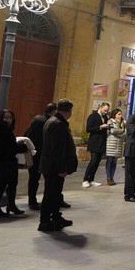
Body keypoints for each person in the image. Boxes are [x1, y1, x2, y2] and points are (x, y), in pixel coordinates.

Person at [38, 99, 77, 232]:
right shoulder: (58, 124)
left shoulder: (53, 121)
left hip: (51, 165)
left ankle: (55, 217)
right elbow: (56, 149)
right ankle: (45, 222)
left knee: (54, 194)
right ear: (68, 111)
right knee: (50, 194)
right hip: (54, 167)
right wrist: (62, 168)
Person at [0, 109, 29, 218]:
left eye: (10, 117)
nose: (8, 120)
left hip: (3, 160)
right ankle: (1, 206)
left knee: (6, 184)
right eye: (5, 117)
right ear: (1, 118)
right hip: (7, 161)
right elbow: (10, 147)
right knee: (7, 184)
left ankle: (1, 206)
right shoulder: (3, 130)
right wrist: (23, 147)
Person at [24, 103, 57, 209]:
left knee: (41, 178)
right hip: (38, 154)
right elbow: (33, 137)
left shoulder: (42, 120)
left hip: (40, 153)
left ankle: (46, 200)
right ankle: (32, 201)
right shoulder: (42, 121)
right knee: (35, 178)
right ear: (53, 111)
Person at [81, 101, 111, 188]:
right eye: (105, 110)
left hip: (101, 142)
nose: (106, 112)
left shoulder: (105, 117)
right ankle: (85, 179)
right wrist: (100, 127)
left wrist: (108, 126)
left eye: (107, 111)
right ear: (100, 108)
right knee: (93, 161)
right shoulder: (93, 116)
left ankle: (91, 179)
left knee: (97, 162)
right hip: (94, 142)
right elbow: (88, 129)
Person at [104, 108, 126, 187]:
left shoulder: (123, 122)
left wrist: (120, 132)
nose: (120, 115)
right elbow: (112, 131)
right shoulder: (110, 121)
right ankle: (108, 178)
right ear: (114, 115)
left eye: (121, 114)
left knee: (114, 162)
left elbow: (126, 132)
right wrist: (121, 131)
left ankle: (112, 177)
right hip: (111, 143)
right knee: (109, 161)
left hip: (118, 144)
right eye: (118, 114)